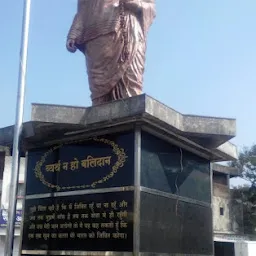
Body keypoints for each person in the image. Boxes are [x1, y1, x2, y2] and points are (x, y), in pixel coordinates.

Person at [66, 0, 156, 106]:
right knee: (99, 91)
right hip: (96, 39)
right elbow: (82, 10)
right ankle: (100, 117)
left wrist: (136, 4)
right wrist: (74, 32)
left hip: (126, 29)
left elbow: (150, 7)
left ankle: (131, 117)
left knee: (130, 82)